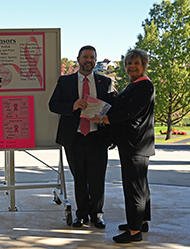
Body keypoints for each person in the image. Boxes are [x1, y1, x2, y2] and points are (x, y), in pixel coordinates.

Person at [88, 49, 155, 243]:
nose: (131, 67)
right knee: (141, 185)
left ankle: (134, 232)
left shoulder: (143, 86)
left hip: (134, 144)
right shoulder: (137, 85)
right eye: (128, 64)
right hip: (138, 143)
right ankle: (141, 222)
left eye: (136, 64)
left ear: (144, 65)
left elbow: (130, 113)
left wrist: (103, 119)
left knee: (133, 187)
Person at [49, 45, 115, 229]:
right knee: (79, 178)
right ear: (78, 59)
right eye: (85, 57)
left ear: (95, 60)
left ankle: (97, 215)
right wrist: (73, 105)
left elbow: (113, 110)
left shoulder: (105, 82)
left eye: (92, 57)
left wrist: (112, 134)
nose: (89, 60)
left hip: (97, 137)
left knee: (97, 179)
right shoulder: (65, 82)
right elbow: (53, 105)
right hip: (74, 138)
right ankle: (82, 215)